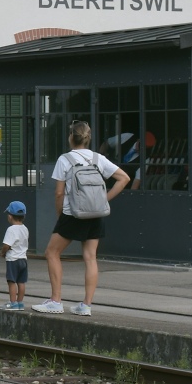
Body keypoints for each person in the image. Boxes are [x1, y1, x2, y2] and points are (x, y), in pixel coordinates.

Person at [33, 121, 130, 316]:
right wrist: (103, 200)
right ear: (87, 138)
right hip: (95, 214)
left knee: (52, 253)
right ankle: (85, 305)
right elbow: (124, 178)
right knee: (91, 257)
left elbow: (59, 193)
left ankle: (56, 300)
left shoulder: (65, 159)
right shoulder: (98, 158)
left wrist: (60, 214)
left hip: (73, 213)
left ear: (71, 136)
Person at [0, 201, 30, 310]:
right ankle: (20, 303)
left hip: (13, 260)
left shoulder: (11, 229)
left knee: (11, 282)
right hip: (23, 259)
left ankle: (12, 303)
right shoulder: (25, 228)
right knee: (21, 282)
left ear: (10, 216)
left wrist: (3, 252)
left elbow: (6, 245)